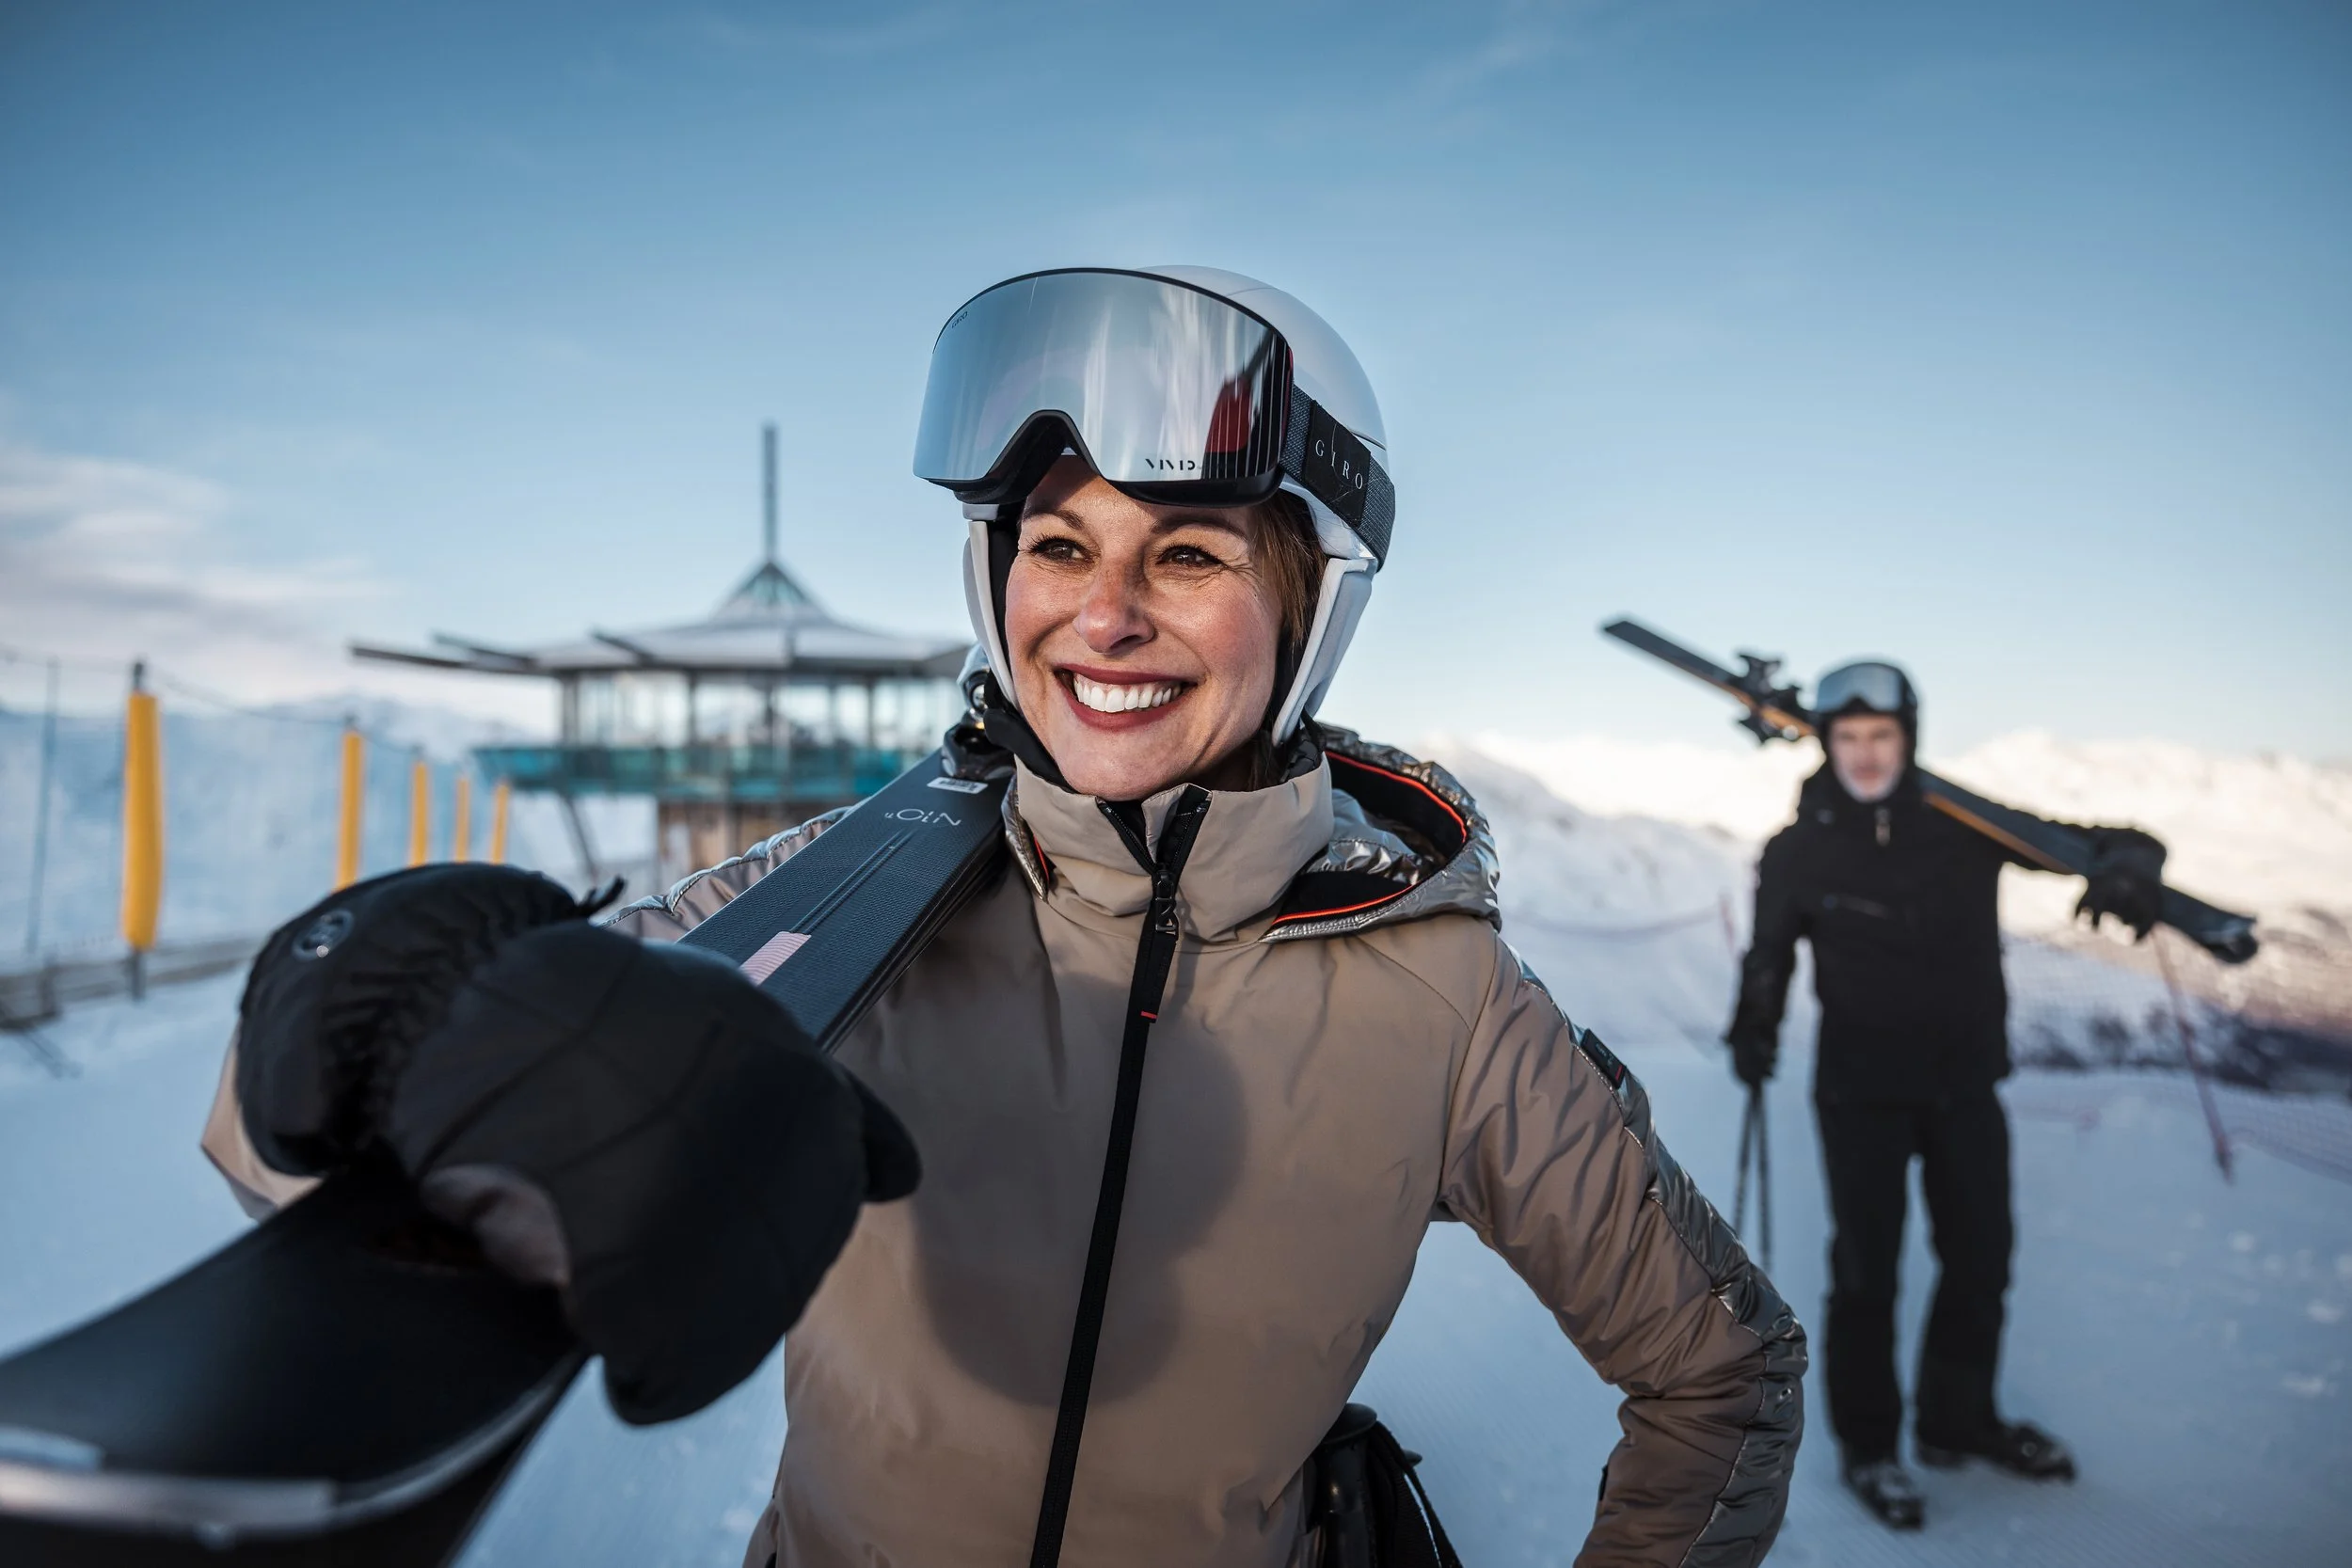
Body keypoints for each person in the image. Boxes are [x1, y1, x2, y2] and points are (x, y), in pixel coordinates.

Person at [206, 266, 1805, 1567]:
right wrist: (362, 1026)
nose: (1103, 615)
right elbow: (332, 1139)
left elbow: (1723, 1368)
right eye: (1057, 545)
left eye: (1185, 553)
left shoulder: (1440, 991)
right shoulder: (845, 899)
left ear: (1308, 606)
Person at [1725, 658, 2167, 1531]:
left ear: (1909, 739)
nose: (1864, 753)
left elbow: (2111, 840)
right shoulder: (1800, 848)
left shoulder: (1963, 825)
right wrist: (1755, 1030)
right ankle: (1871, 1446)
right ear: (1827, 741)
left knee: (1980, 1258)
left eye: (1881, 736)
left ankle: (1958, 1420)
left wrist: (2132, 865)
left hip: (1966, 1086)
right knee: (1868, 1271)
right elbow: (1768, 953)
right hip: (1859, 1092)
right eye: (1847, 736)